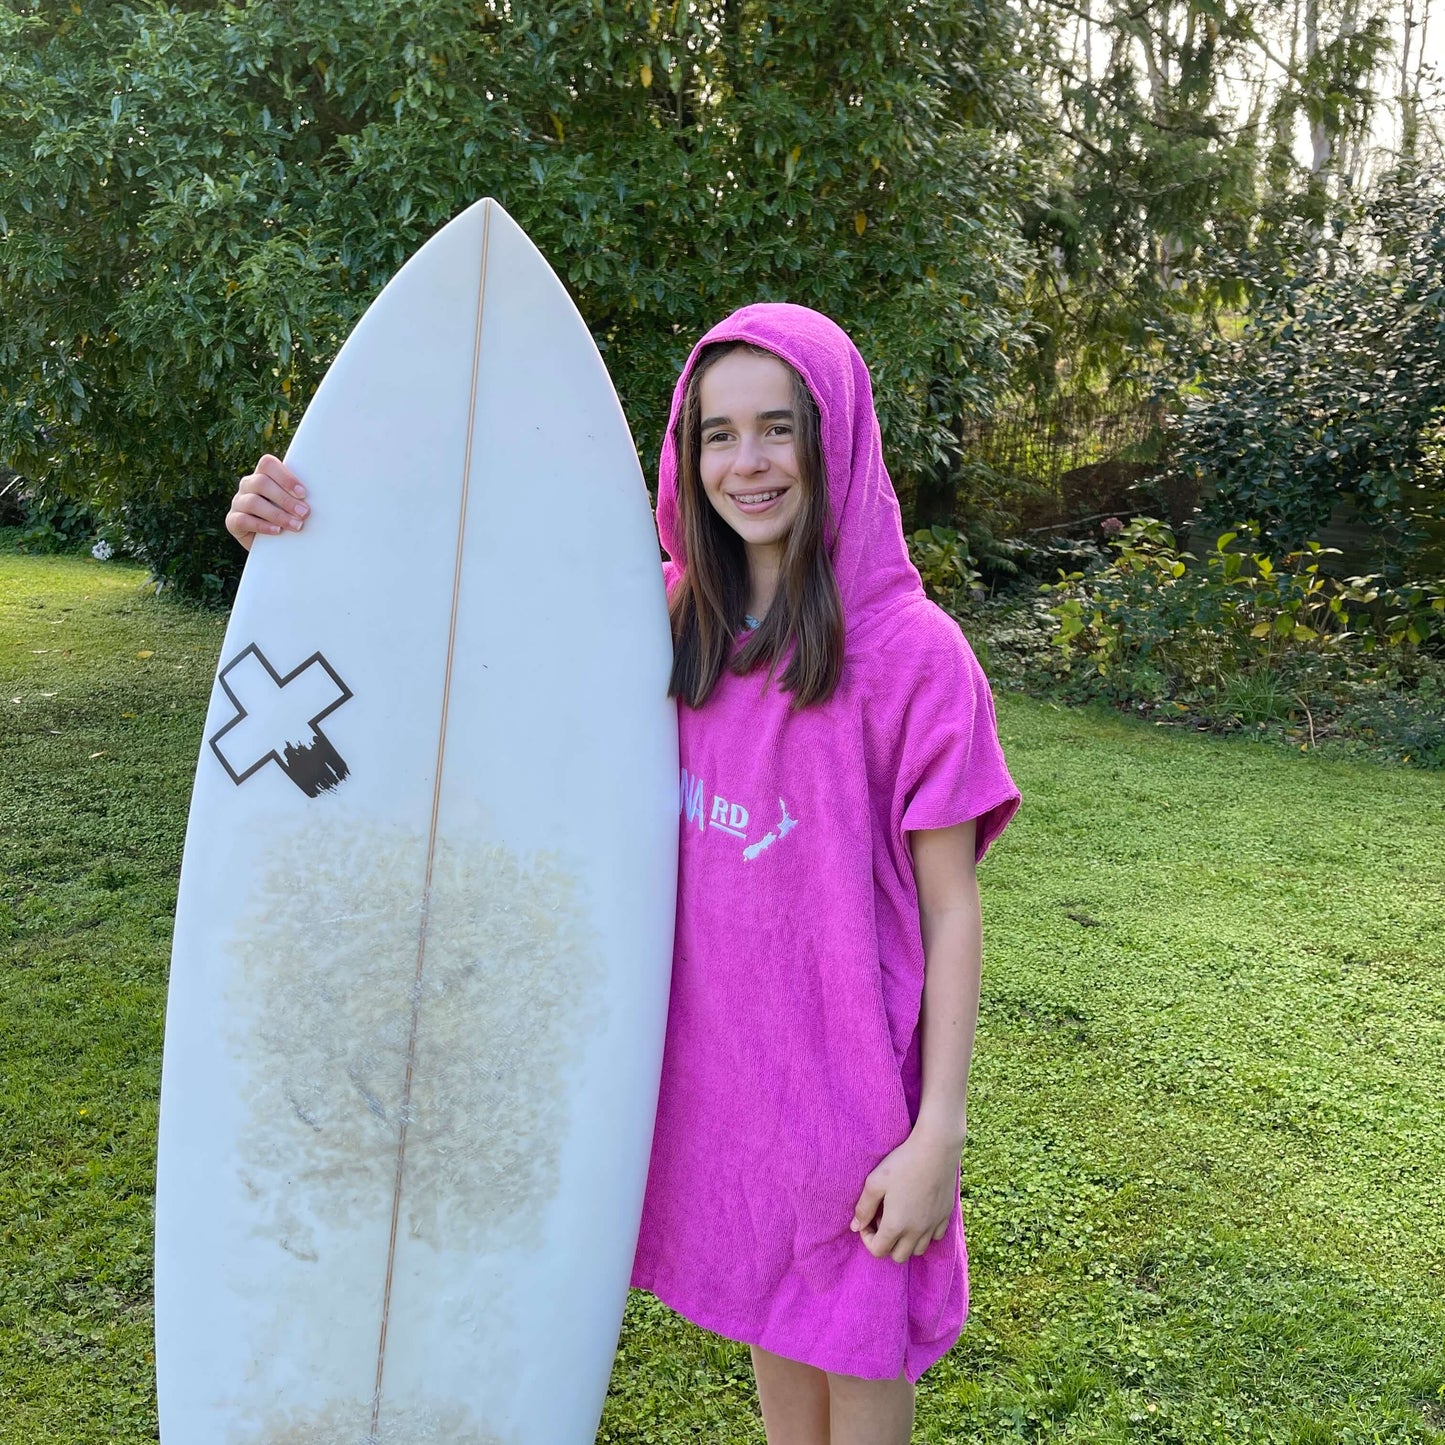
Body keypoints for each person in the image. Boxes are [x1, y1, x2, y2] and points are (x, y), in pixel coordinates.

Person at [225, 302, 1020, 1445]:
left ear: (834, 438)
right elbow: (466, 614)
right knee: (778, 1338)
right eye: (716, 433)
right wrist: (305, 540)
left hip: (852, 1094)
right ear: (684, 453)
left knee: (855, 1340)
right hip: (728, 1090)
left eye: (776, 429)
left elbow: (950, 908)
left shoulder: (912, 657)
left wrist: (935, 1130)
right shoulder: (664, 618)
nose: (745, 462)